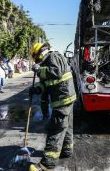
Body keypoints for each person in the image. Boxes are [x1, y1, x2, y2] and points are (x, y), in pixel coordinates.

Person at [29, 42, 76, 171]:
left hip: (63, 99)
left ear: (38, 54)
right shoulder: (47, 61)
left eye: (35, 57)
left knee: (55, 129)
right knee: (66, 127)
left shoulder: (53, 56)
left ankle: (47, 165)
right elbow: (48, 83)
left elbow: (56, 72)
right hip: (65, 99)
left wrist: (39, 69)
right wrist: (37, 89)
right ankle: (66, 150)